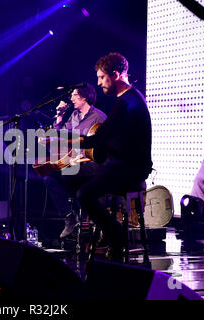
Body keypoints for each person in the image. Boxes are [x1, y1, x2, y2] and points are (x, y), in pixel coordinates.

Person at [63, 52, 153, 260]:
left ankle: (115, 234)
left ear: (116, 75)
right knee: (74, 176)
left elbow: (99, 138)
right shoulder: (132, 97)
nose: (99, 83)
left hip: (129, 169)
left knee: (83, 194)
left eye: (102, 78)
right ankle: (101, 229)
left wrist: (67, 140)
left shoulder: (125, 102)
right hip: (127, 165)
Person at [42, 83, 107, 238]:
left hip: (94, 163)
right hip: (75, 163)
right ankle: (70, 216)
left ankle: (87, 213)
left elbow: (102, 148)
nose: (71, 98)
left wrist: (80, 157)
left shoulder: (99, 117)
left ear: (84, 97)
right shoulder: (74, 116)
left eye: (74, 95)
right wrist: (59, 115)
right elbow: (60, 135)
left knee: (67, 175)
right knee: (48, 177)